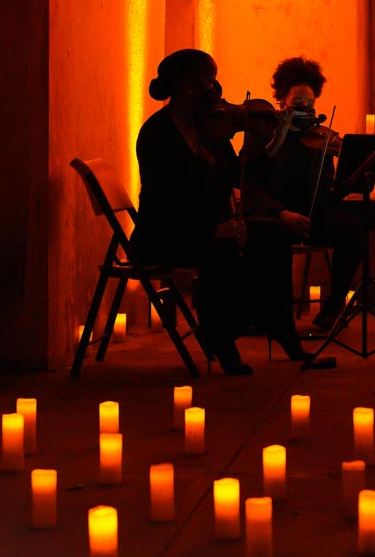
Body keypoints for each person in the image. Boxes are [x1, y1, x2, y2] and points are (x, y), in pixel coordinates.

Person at [129, 49, 330, 374]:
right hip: (166, 231)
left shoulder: (211, 131)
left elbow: (240, 173)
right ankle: (222, 341)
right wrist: (213, 228)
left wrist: (273, 142)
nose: (217, 90)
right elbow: (164, 201)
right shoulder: (157, 134)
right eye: (210, 82)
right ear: (189, 86)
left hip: (210, 225)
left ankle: (283, 333)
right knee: (222, 249)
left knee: (273, 235)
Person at [240, 56, 363, 334]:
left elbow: (326, 192)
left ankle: (332, 309)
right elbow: (250, 183)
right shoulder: (263, 134)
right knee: (274, 236)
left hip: (310, 217)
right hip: (273, 217)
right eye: (298, 105)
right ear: (281, 101)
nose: (306, 112)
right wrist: (282, 214)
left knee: (352, 231)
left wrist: (346, 173)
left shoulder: (319, 138)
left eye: (311, 105)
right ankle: (275, 317)